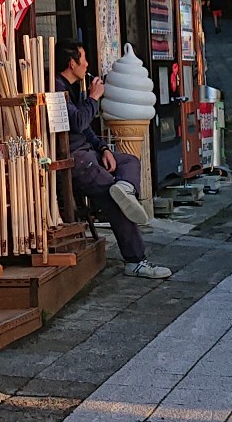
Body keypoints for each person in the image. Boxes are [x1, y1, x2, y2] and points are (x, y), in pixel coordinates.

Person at [58, 44, 170, 278]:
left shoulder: (74, 87)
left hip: (91, 152)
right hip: (75, 159)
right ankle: (136, 261)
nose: (88, 64)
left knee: (129, 161)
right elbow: (77, 123)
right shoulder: (57, 90)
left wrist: (103, 148)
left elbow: (86, 128)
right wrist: (93, 98)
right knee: (115, 200)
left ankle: (126, 189)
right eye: (84, 59)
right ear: (72, 63)